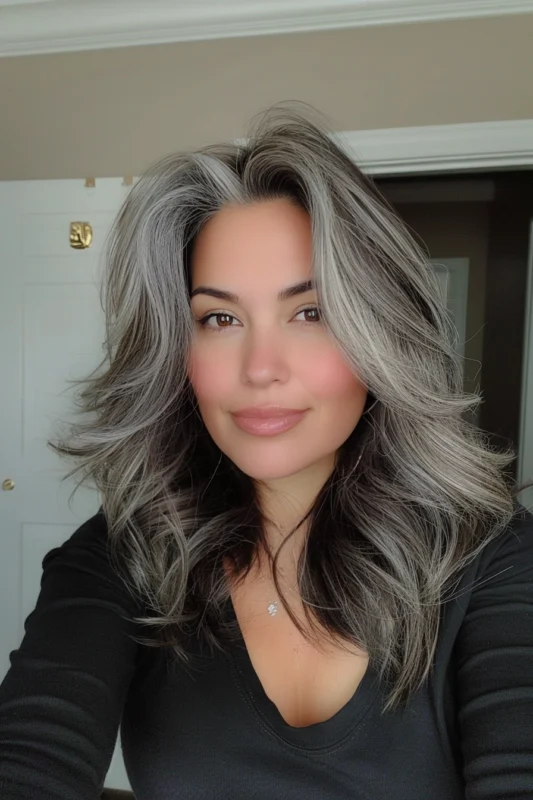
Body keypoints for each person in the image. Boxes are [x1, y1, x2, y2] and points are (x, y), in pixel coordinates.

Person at [1, 102, 532, 799]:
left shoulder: (493, 561)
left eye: (309, 312)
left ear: (380, 335)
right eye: (219, 318)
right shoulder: (123, 557)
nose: (260, 368)